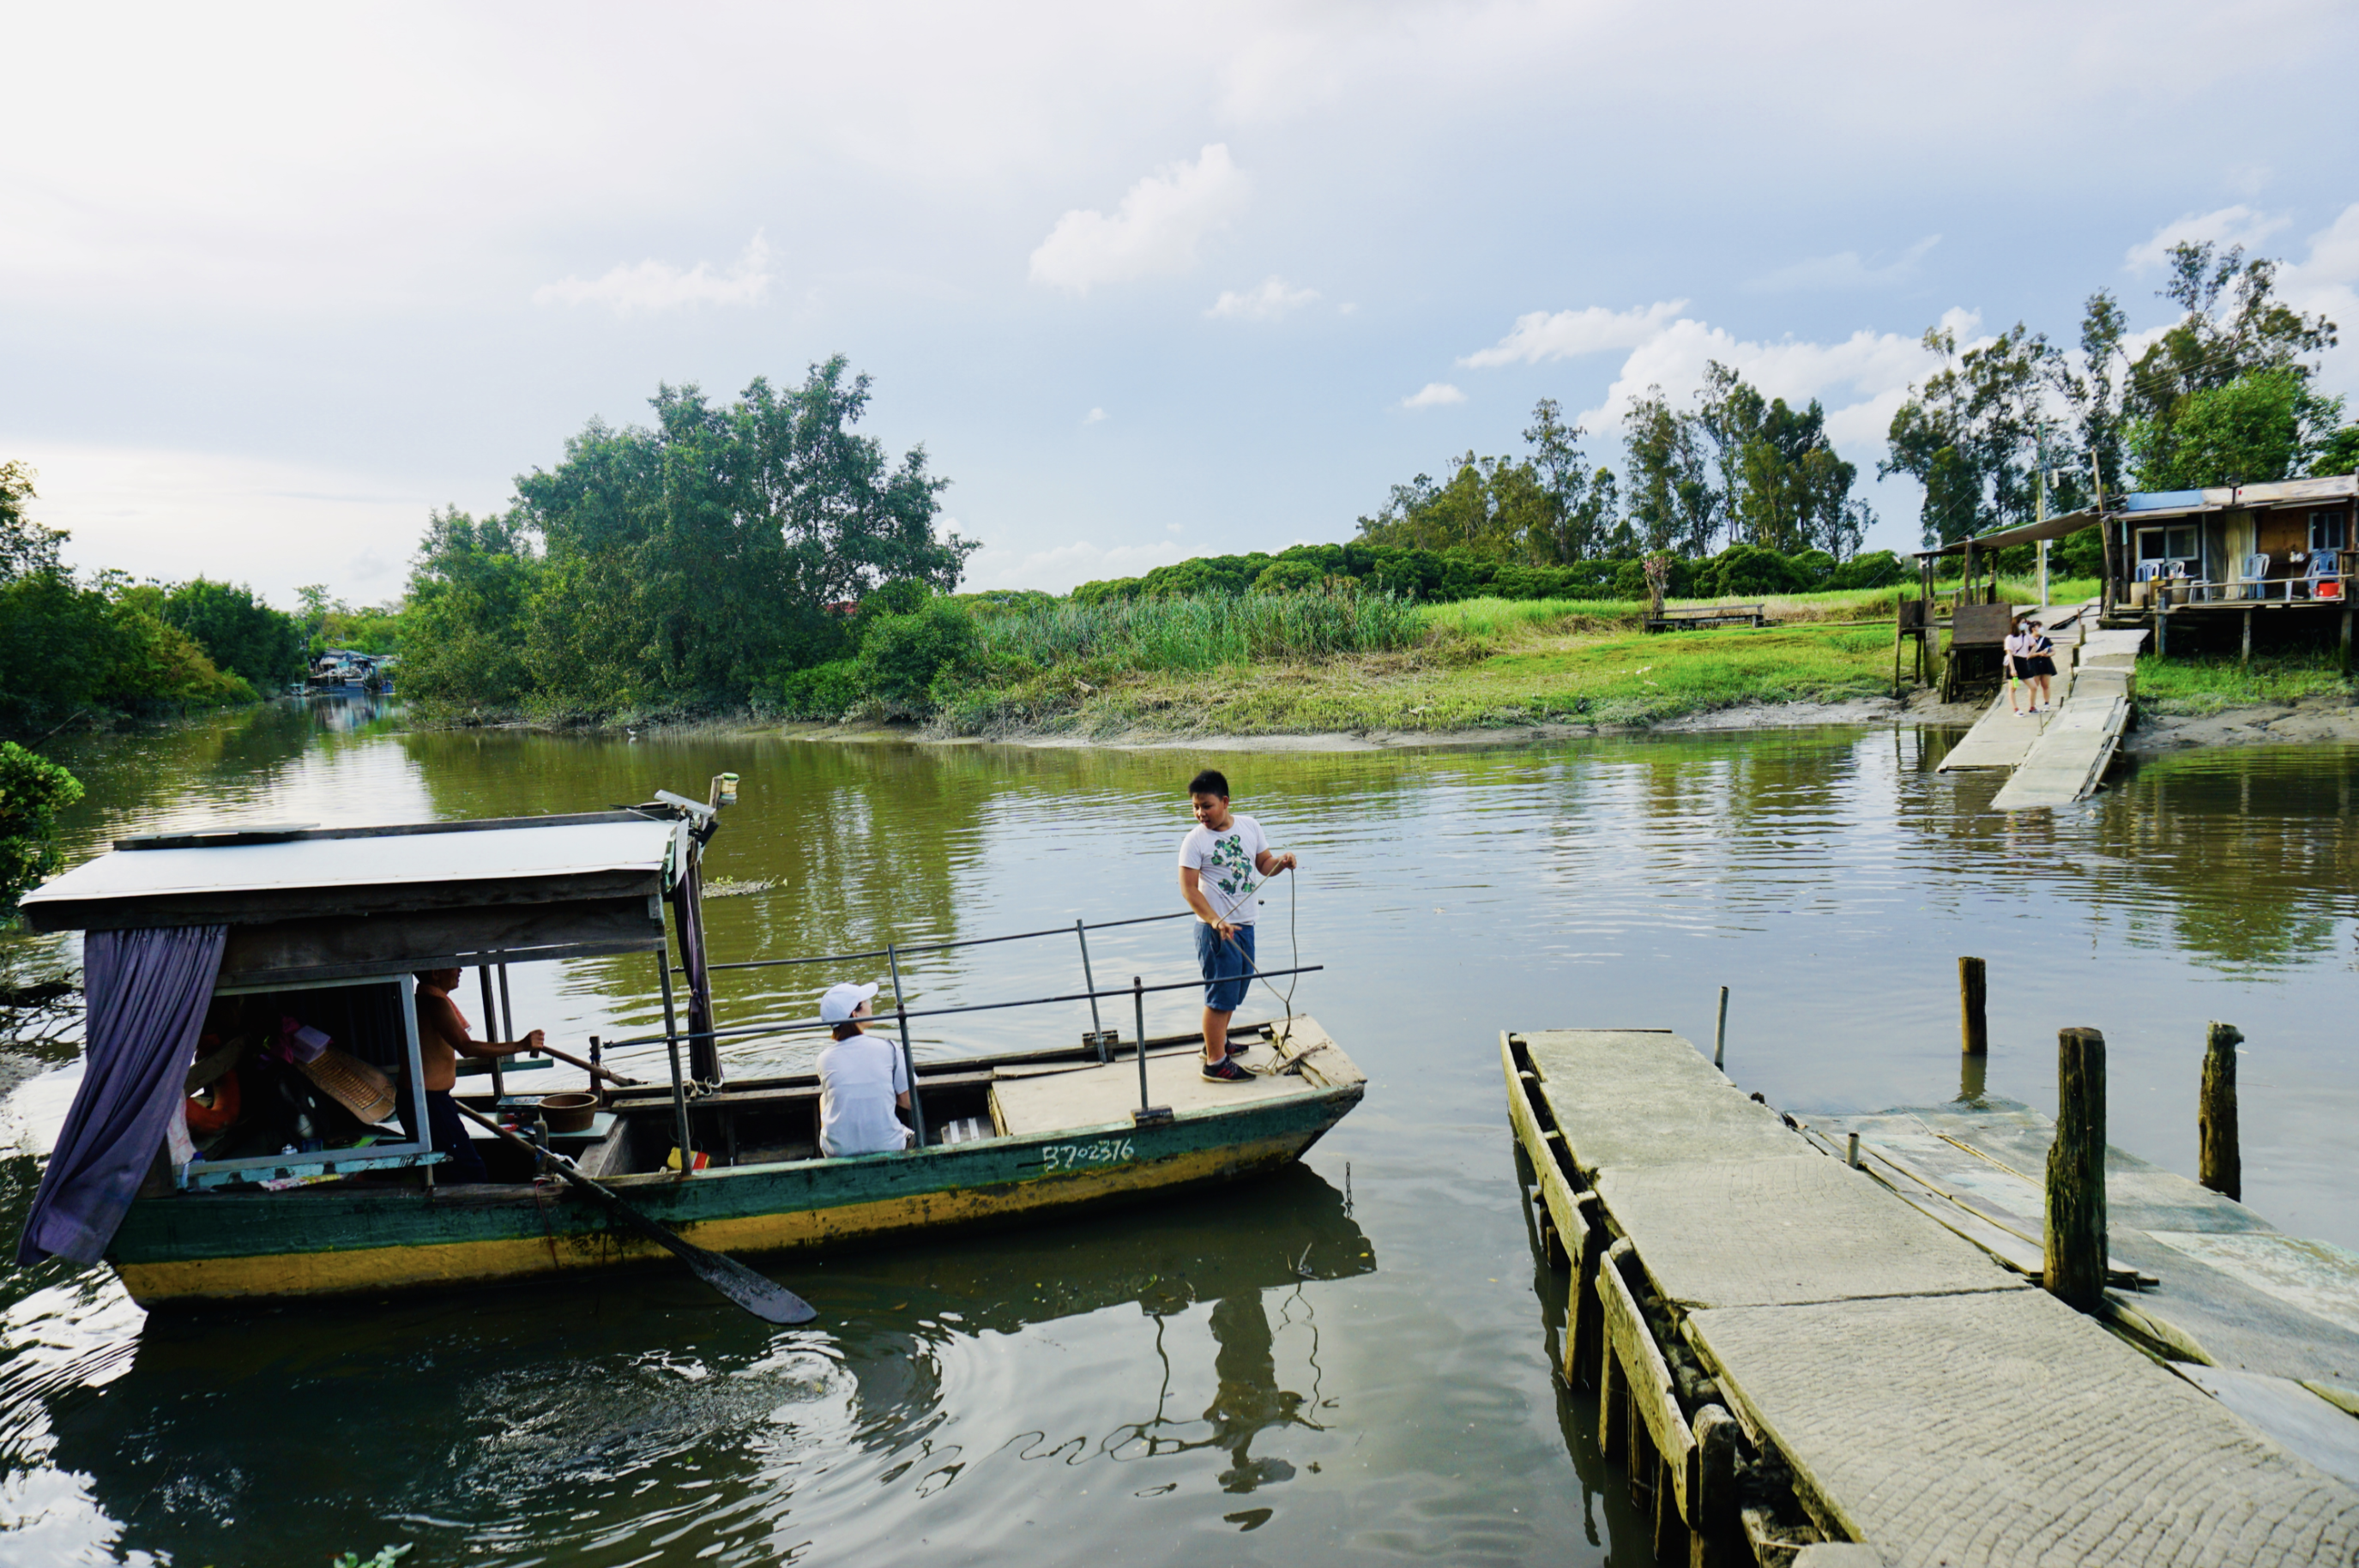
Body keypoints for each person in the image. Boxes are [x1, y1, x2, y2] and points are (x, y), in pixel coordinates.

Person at [1178, 768, 1297, 1083]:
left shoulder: (1250, 827)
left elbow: (1264, 866)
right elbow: (1189, 889)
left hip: (1245, 926)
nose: (1200, 813)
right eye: (1196, 807)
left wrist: (1282, 864)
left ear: (1225, 801)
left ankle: (1217, 1043)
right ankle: (1215, 1062)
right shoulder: (1194, 841)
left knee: (1236, 990)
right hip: (1215, 931)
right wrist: (1215, 920)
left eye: (1206, 805)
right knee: (1220, 996)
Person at [407, 968, 546, 1182]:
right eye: (454, 964)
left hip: (427, 1101)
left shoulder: (422, 1000)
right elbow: (467, 1047)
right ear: (436, 972)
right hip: (429, 1104)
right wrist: (520, 1045)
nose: (460, 969)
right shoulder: (434, 1003)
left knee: (447, 1170)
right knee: (470, 1172)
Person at [817, 981, 914, 1157]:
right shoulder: (888, 1048)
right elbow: (909, 1102)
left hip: (838, 1152)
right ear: (855, 1014)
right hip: (888, 1146)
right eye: (867, 1001)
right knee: (911, 1137)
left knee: (824, 1097)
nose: (871, 1004)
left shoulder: (823, 1059)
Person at [2023, 618, 2058, 712]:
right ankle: (2032, 705)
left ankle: (2047, 704)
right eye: (2039, 627)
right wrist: (2038, 654)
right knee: (2034, 686)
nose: (2041, 629)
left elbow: (2053, 651)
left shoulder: (2045, 639)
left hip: (2046, 663)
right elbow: (2025, 655)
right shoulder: (2027, 639)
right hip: (2033, 664)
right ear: (2033, 629)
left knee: (2046, 685)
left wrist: (2048, 654)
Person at [2002, 616, 2031, 715]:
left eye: (2025, 622)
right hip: (2014, 663)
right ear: (2017, 624)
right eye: (2023, 622)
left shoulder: (2026, 635)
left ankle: (2032, 707)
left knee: (2033, 686)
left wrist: (2029, 655)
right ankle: (2016, 709)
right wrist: (2013, 669)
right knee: (2014, 687)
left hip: (2023, 662)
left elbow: (2034, 644)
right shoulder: (2010, 638)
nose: (2025, 624)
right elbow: (2009, 653)